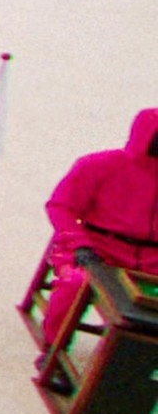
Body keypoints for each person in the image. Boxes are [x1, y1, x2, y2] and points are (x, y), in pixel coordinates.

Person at [35, 109, 158, 357]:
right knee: (74, 283)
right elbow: (61, 206)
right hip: (97, 247)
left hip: (151, 260)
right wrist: (79, 244)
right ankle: (54, 349)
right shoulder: (100, 165)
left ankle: (137, 360)